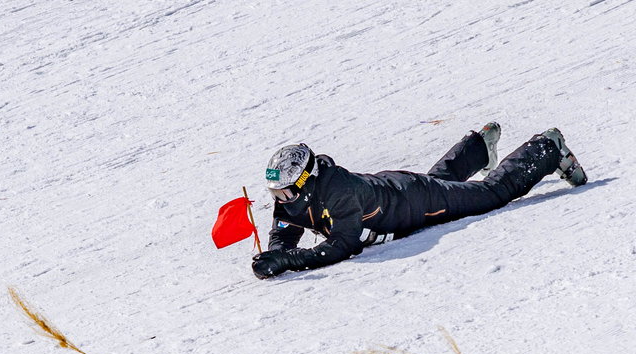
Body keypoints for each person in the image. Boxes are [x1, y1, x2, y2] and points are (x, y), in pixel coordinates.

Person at [251, 123, 587, 279]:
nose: (282, 201)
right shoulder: (294, 194)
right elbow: (286, 224)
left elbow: (343, 245)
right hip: (400, 189)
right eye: (275, 194)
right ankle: (477, 148)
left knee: (490, 195)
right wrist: (276, 252)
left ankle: (546, 149)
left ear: (307, 180)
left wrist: (291, 261)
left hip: (416, 202)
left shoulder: (340, 192)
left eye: (287, 193)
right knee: (443, 185)